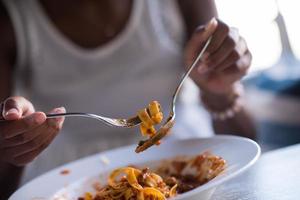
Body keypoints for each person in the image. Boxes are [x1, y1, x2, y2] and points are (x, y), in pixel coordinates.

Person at [0, 0, 256, 198]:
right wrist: (15, 143)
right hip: (58, 181)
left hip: (190, 155)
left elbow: (248, 140)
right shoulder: (9, 19)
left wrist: (220, 92)